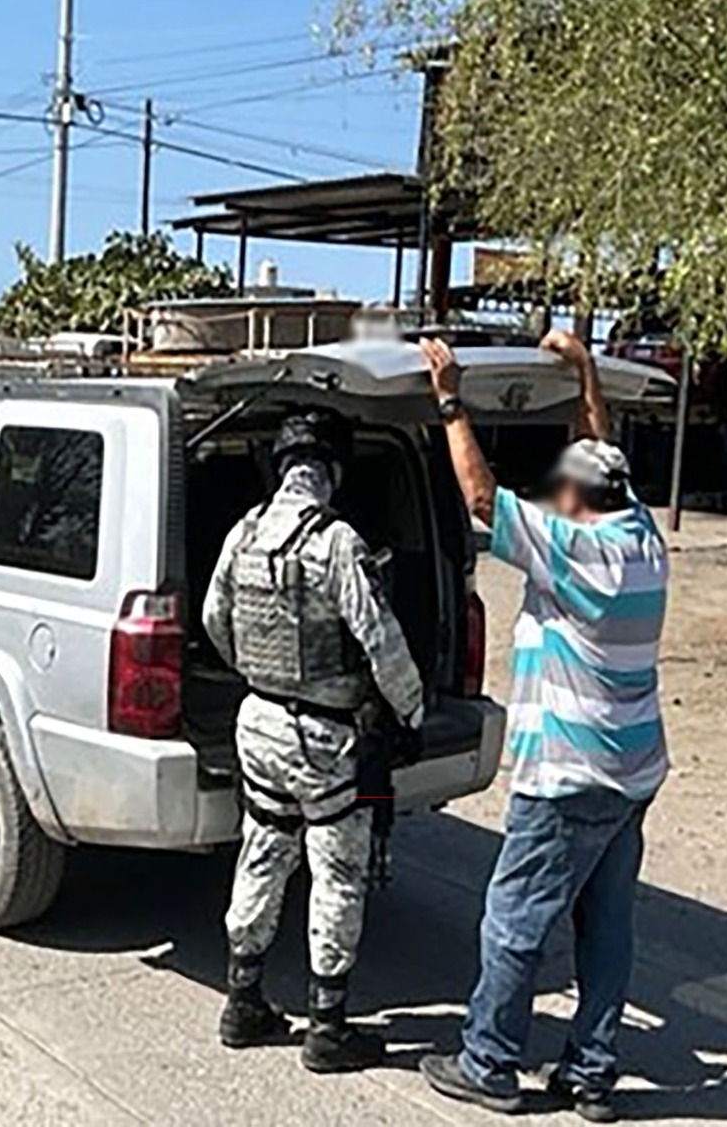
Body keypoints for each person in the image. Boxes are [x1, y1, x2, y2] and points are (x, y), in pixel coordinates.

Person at [417, 331, 670, 1122]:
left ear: (578, 504)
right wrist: (585, 373)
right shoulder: (640, 536)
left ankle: (488, 1062)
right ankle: (590, 1072)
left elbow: (482, 501)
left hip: (569, 773)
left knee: (515, 920)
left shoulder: (575, 553)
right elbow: (599, 450)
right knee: (607, 925)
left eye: (561, 491)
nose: (553, 498)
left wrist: (451, 402)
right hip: (631, 772)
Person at [200, 407, 426, 1074]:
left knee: (262, 854)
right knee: (337, 873)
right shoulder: (337, 541)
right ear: (331, 471)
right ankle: (327, 1028)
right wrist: (411, 712)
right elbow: (380, 639)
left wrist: (254, 672)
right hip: (324, 739)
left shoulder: (243, 531)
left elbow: (214, 617)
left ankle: (243, 1002)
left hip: (258, 722)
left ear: (281, 468)